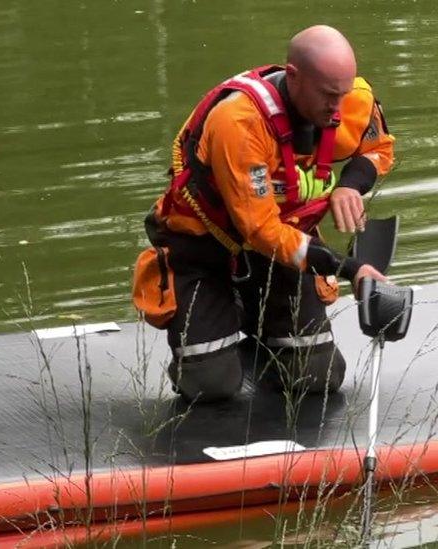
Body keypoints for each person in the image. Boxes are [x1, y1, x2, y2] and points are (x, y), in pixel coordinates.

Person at [132, 25, 394, 402]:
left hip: (282, 253)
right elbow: (261, 232)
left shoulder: (347, 97)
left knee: (317, 377)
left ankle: (262, 327)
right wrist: (350, 269)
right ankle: (228, 313)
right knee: (212, 385)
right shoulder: (240, 124)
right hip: (204, 251)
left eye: (344, 94)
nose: (337, 109)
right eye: (328, 96)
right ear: (293, 76)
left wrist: (351, 184)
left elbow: (379, 149)